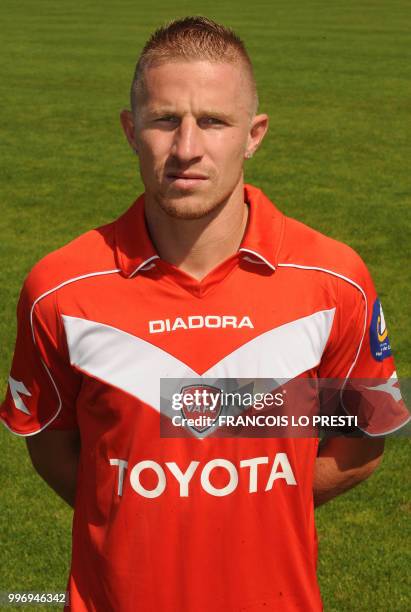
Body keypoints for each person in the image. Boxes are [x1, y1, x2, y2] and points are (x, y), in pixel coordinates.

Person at [1, 16, 409, 612]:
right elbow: (53, 448)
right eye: (165, 119)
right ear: (129, 129)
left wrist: (250, 504)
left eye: (213, 121)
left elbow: (359, 447)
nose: (187, 148)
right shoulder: (60, 288)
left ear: (254, 134)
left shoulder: (334, 280)